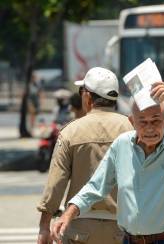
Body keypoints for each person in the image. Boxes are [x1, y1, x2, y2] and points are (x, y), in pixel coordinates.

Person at [51, 81, 164, 244]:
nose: (149, 128)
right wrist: (68, 214)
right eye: (143, 121)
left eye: (156, 120)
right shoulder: (122, 144)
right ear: (132, 122)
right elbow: (96, 186)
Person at [37, 67, 133, 244]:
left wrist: (44, 227)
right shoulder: (132, 129)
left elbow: (55, 183)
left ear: (87, 96)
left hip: (79, 226)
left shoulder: (71, 132)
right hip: (124, 227)